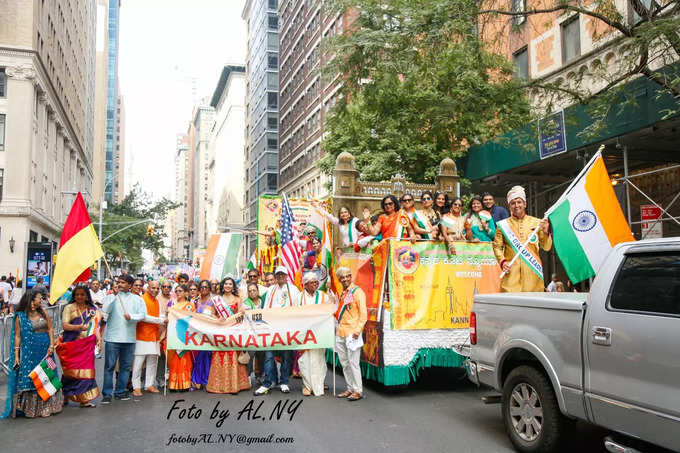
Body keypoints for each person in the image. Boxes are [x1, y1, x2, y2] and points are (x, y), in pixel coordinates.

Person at [2, 290, 63, 418]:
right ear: (31, 300)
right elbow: (17, 337)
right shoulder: (21, 316)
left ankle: (47, 407)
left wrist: (51, 345)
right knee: (32, 378)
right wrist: (17, 356)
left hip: (46, 351)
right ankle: (31, 409)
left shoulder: (43, 312)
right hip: (29, 354)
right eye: (39, 298)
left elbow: (50, 329)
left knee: (46, 376)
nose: (42, 301)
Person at [493, 186, 552, 293]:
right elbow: (497, 246)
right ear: (509, 206)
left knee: (533, 304)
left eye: (519, 202)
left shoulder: (537, 222)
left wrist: (545, 231)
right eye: (513, 203)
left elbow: (546, 247)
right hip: (511, 272)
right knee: (510, 304)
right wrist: (502, 262)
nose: (516, 205)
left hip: (532, 271)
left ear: (525, 204)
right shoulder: (502, 225)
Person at [100, 274, 147, 404]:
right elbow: (105, 311)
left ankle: (120, 391)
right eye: (118, 282)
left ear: (130, 285)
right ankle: (107, 394)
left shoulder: (137, 300)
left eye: (123, 283)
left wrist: (131, 316)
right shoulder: (111, 297)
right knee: (109, 367)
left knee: (125, 367)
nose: (119, 284)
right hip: (112, 338)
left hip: (129, 339)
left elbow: (142, 315)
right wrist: (114, 296)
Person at [255, 266, 301, 395]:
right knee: (269, 355)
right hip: (272, 327)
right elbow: (265, 308)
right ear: (275, 277)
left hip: (287, 328)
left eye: (283, 274)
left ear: (287, 276)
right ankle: (268, 382)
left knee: (286, 355)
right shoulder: (270, 290)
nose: (280, 276)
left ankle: (284, 382)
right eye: (278, 275)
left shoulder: (293, 289)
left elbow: (298, 308)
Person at [57, 285, 101, 407]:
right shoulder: (69, 308)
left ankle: (84, 399)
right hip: (72, 345)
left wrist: (99, 339)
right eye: (77, 295)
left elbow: (95, 326)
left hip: (87, 346)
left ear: (87, 296)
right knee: (70, 372)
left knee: (86, 372)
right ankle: (66, 394)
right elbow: (65, 326)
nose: (79, 297)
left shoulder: (92, 309)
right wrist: (79, 327)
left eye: (82, 294)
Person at [206, 278, 251, 394]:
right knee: (221, 355)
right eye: (226, 283)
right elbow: (211, 314)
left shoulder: (237, 299)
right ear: (222, 285)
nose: (228, 286)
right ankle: (219, 385)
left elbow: (241, 313)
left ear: (233, 286)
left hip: (233, 332)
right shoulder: (216, 299)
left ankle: (235, 385)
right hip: (221, 332)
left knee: (233, 355)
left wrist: (243, 311)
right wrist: (218, 319)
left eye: (230, 284)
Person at [335, 267, 367, 402]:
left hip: (352, 333)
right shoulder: (343, 293)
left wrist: (358, 330)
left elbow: (363, 314)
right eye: (342, 277)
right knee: (345, 363)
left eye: (348, 276)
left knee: (353, 363)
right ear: (339, 279)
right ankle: (350, 388)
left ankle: (358, 390)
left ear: (350, 276)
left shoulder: (357, 292)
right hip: (341, 331)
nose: (345, 279)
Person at [297, 273, 330, 396]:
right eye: (313, 282)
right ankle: (307, 385)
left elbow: (329, 310)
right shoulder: (299, 297)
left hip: (319, 333)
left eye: (316, 282)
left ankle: (318, 383)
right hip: (305, 334)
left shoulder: (323, 296)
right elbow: (294, 315)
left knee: (319, 359)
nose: (316, 284)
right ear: (305, 284)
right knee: (305, 360)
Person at [132, 281, 164, 396]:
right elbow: (144, 317)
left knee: (152, 362)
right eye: (153, 288)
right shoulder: (141, 299)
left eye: (157, 288)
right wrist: (160, 320)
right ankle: (136, 386)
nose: (155, 290)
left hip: (154, 335)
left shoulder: (157, 301)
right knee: (138, 362)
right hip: (142, 335)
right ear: (148, 288)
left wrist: (163, 318)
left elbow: (160, 315)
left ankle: (149, 384)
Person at [166, 284, 194, 391]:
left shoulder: (189, 305)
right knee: (174, 361)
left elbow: (192, 320)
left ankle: (184, 384)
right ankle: (173, 384)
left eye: (180, 291)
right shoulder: (172, 304)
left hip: (184, 335)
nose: (178, 293)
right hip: (173, 334)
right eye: (176, 291)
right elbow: (167, 316)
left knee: (184, 359)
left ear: (186, 293)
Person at [191, 280, 215, 390]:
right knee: (198, 357)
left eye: (206, 287)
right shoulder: (195, 301)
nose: (204, 289)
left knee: (207, 356)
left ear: (210, 288)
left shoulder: (214, 301)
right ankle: (196, 380)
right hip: (197, 333)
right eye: (202, 287)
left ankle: (206, 380)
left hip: (209, 332)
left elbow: (217, 316)